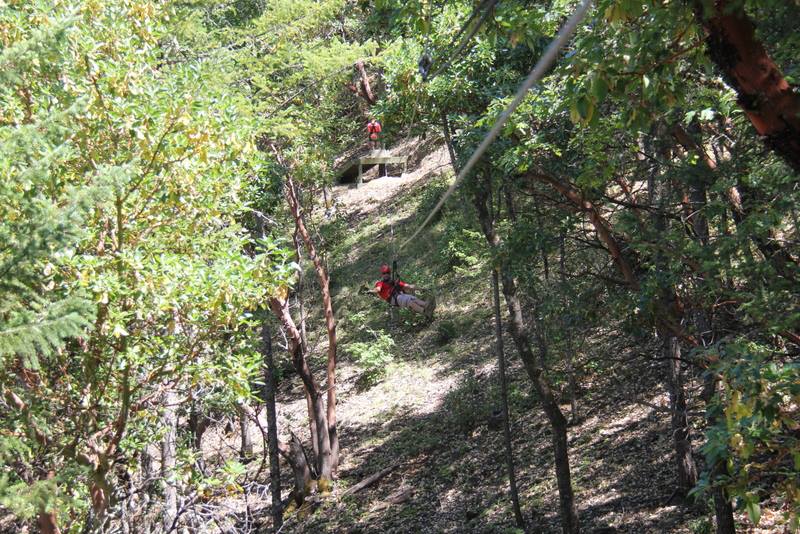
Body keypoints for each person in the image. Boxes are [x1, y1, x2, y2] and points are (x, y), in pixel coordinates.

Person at [368, 264, 435, 319]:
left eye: (387, 273)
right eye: (384, 273)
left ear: (390, 273)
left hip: (400, 296)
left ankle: (427, 306)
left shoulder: (394, 281)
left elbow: (409, 286)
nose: (386, 274)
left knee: (413, 299)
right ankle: (425, 312)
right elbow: (377, 289)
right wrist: (371, 291)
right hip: (393, 299)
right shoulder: (380, 283)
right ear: (382, 274)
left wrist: (422, 289)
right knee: (409, 301)